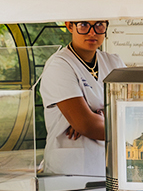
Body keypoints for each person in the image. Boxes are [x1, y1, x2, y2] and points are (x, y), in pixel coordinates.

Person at [39, 20, 125, 176]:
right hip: (69, 172)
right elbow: (86, 125)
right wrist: (101, 116)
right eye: (84, 25)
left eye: (99, 25)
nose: (92, 32)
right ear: (69, 25)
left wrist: (95, 116)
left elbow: (136, 111)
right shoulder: (59, 65)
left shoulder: (114, 63)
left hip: (108, 168)